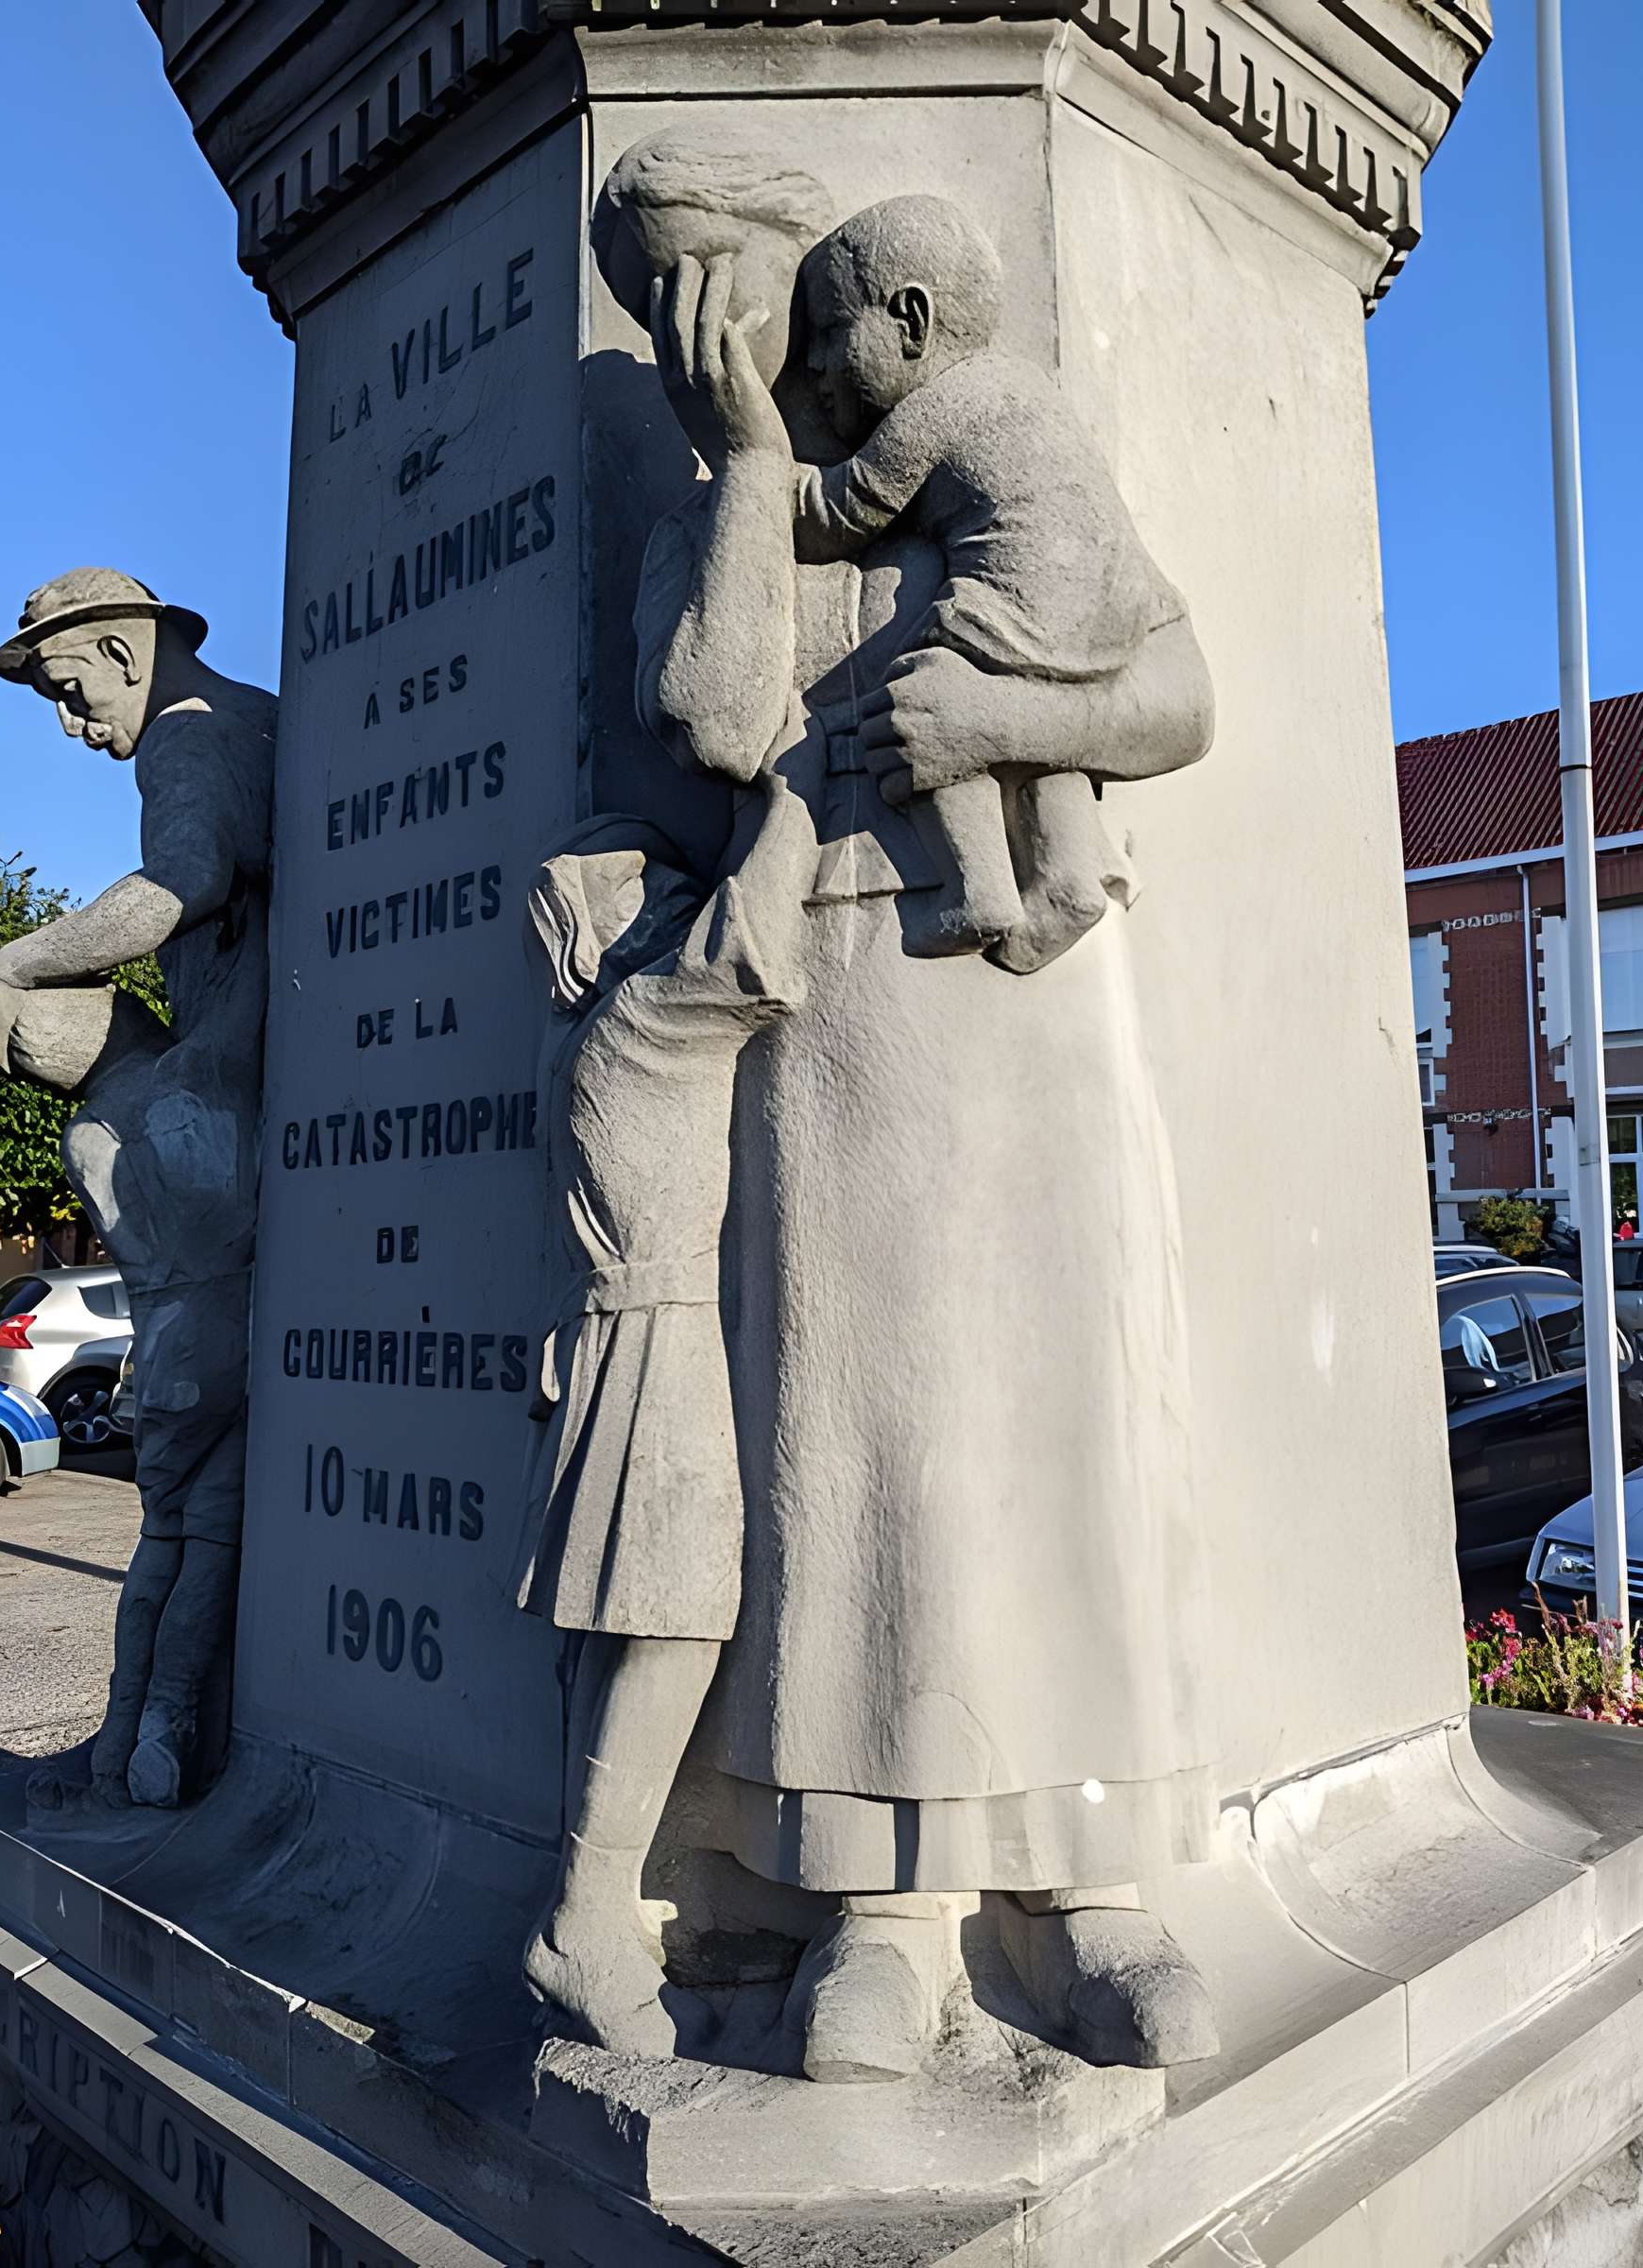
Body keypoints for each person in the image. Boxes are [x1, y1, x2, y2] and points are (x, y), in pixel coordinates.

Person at [600, 131, 1219, 2085]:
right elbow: (711, 724)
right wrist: (749, 475)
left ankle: (1097, 1886)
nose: (698, 311)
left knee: (1074, 1411)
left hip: (1042, 971)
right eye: (663, 285)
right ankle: (886, 1911)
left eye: (718, 269)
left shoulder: (993, 449)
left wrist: (1003, 721)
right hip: (856, 988)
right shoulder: (745, 507)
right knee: (883, 1441)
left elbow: (1175, 689)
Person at [519, 779, 815, 2053]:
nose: (673, 889)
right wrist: (789, 779)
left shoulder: (587, 1035)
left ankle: (580, 1902)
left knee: (623, 1622)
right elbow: (754, 946)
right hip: (666, 1337)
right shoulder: (644, 1017)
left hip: (632, 1332)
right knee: (677, 1618)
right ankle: (584, 1910)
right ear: (597, 925)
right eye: (642, 881)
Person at [0, 568, 273, 1810]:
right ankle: (139, 1733)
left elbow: (181, 883)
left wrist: (20, 955)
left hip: (185, 1300)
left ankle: (133, 1733)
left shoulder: (187, 742)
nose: (69, 725)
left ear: (117, 650)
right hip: (221, 1276)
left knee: (177, 1529)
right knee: (191, 1531)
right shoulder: (173, 1105)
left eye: (68, 692)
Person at [793, 194, 1176, 971]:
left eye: (832, 331)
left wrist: (768, 475)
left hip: (1028, 591)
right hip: (1109, 602)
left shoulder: (937, 408)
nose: (815, 365)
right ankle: (1069, 873)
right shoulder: (1025, 391)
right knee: (1040, 723)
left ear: (911, 323)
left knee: (933, 695)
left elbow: (844, 509)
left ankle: (978, 890)